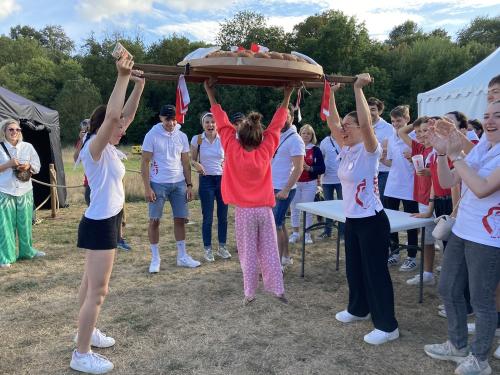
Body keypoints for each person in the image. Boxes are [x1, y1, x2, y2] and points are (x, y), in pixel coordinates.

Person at [71, 58, 143, 374]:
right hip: (100, 224)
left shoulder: (109, 146)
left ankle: (84, 332)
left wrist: (138, 85)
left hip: (104, 219)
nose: (122, 128)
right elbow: (114, 114)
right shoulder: (95, 147)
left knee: (89, 287)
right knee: (99, 291)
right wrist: (122, 76)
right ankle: (81, 353)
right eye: (117, 127)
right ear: (104, 127)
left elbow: (123, 114)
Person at [424, 102, 500, 375]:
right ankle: (457, 346)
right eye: (487, 116)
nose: (490, 121)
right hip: (462, 229)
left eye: (498, 116)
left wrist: (456, 156)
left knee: (482, 301)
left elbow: (481, 189)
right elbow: (447, 182)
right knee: (448, 288)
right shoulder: (482, 147)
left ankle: (480, 360)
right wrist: (442, 153)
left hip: (488, 237)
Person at [204, 79, 292, 304]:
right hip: (264, 211)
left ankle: (250, 293)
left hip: (244, 212)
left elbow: (222, 124)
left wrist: (211, 93)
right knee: (271, 251)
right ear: (259, 136)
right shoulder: (266, 150)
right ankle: (278, 289)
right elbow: (276, 125)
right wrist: (287, 94)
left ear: (239, 137)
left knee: (248, 254)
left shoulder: (232, 149)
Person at [328, 76, 399, 345]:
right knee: (354, 268)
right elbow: (332, 123)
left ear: (361, 127)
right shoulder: (346, 149)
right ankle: (358, 309)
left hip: (372, 221)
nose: (343, 129)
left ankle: (387, 325)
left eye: (349, 125)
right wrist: (330, 93)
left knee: (375, 272)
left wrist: (357, 88)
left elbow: (367, 123)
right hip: (353, 220)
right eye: (343, 126)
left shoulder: (371, 149)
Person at [141, 104, 200, 273]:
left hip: (179, 183)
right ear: (160, 118)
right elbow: (144, 162)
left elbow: (186, 162)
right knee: (154, 220)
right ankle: (155, 258)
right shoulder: (152, 135)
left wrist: (189, 185)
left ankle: (182, 257)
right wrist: (147, 188)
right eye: (167, 119)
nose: (171, 123)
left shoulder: (181, 136)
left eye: (173, 119)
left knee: (180, 219)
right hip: (158, 183)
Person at [398, 117, 438, 287]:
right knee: (427, 239)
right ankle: (428, 274)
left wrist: (431, 172)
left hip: (439, 200)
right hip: (423, 198)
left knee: (444, 240)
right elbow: (401, 132)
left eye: (425, 130)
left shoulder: (439, 149)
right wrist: (418, 121)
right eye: (418, 131)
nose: (421, 134)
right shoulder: (419, 147)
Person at [0, 119, 44, 268]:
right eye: (11, 130)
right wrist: (8, 165)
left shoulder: (28, 147)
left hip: (25, 191)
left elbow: (37, 167)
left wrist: (29, 166)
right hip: (5, 191)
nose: (14, 132)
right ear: (4, 132)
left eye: (17, 130)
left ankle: (27, 252)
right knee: (6, 226)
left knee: (25, 224)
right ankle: (6, 257)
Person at [382, 105, 419, 271]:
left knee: (411, 222)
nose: (396, 124)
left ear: (407, 119)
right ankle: (395, 252)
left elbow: (421, 160)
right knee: (391, 221)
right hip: (392, 185)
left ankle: (411, 256)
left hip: (410, 186)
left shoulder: (415, 137)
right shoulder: (390, 138)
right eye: (393, 121)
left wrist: (413, 159)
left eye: (399, 120)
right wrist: (382, 160)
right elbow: (391, 162)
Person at [191, 112, 230, 262]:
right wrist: (197, 164)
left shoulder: (223, 139)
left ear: (217, 124)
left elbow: (228, 157)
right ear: (203, 124)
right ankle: (207, 249)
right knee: (207, 217)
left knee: (223, 216)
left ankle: (222, 247)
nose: (210, 125)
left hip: (222, 180)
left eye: (213, 122)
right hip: (206, 180)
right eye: (207, 122)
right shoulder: (198, 139)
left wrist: (226, 164)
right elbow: (192, 160)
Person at [271, 104, 305, 268]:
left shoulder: (296, 139)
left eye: (285, 116)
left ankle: (277, 265)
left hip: (284, 189)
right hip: (273, 186)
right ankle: (285, 257)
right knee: (280, 224)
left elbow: (298, 168)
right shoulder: (279, 135)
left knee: (275, 225)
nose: (282, 120)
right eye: (279, 116)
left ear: (291, 117)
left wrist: (285, 189)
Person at [289, 124, 325, 245]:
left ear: (312, 136)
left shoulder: (316, 149)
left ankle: (307, 233)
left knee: (307, 209)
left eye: (308, 133)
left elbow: (322, 168)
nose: (305, 135)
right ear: (300, 134)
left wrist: (310, 168)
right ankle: (295, 233)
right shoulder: (294, 146)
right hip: (295, 182)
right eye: (303, 133)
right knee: (294, 208)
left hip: (310, 183)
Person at [367, 96, 393, 204]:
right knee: (369, 202)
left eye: (373, 109)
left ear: (380, 111)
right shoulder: (362, 127)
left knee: (382, 202)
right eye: (367, 109)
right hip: (367, 171)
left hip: (383, 172)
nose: (370, 112)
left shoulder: (388, 128)